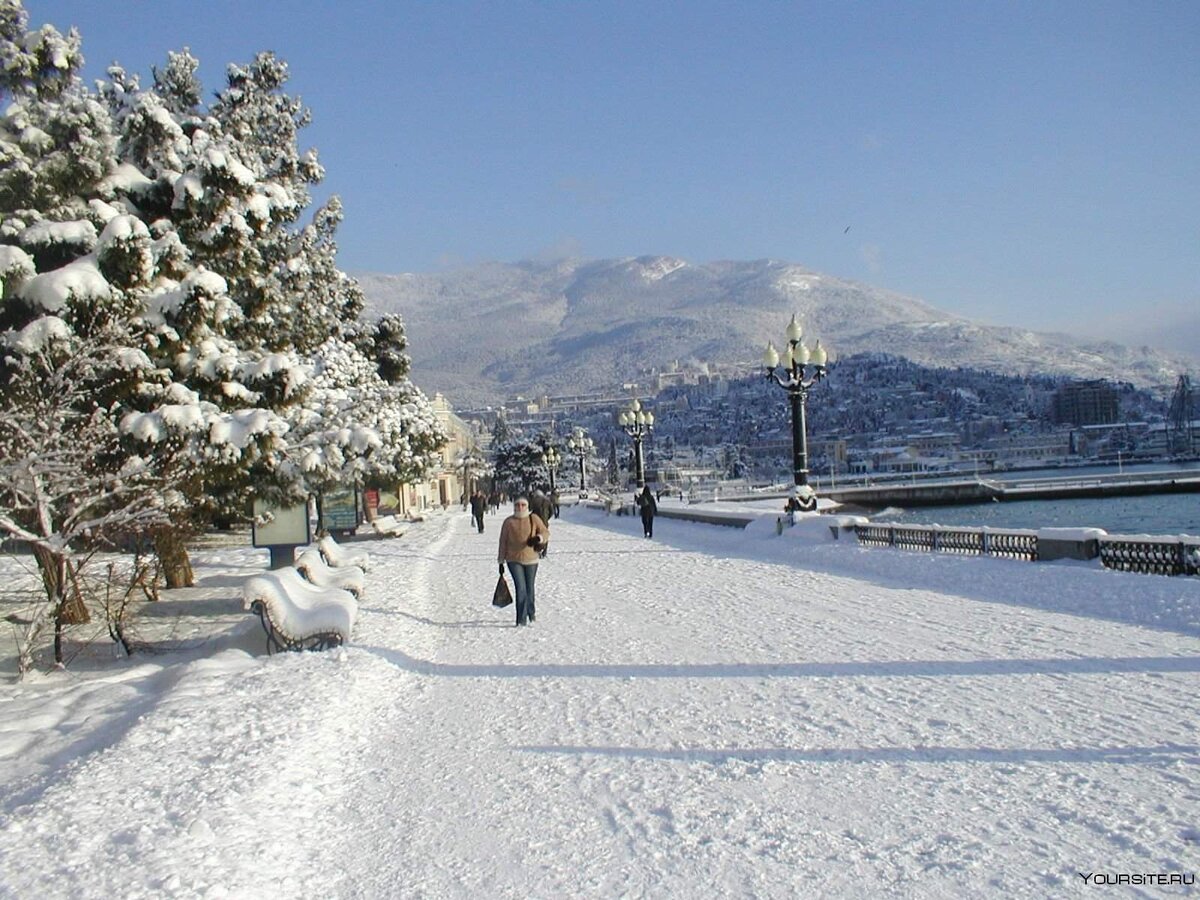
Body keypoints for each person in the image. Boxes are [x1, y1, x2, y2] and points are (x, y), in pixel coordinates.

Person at [498, 497, 551, 626]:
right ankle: (521, 619)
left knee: (529, 587)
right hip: (513, 559)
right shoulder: (509, 522)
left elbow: (545, 532)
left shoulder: (533, 519)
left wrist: (538, 538)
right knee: (520, 588)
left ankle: (531, 613)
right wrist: (501, 560)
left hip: (531, 559)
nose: (520, 507)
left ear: (526, 506)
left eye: (523, 505)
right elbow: (503, 541)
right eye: (517, 505)